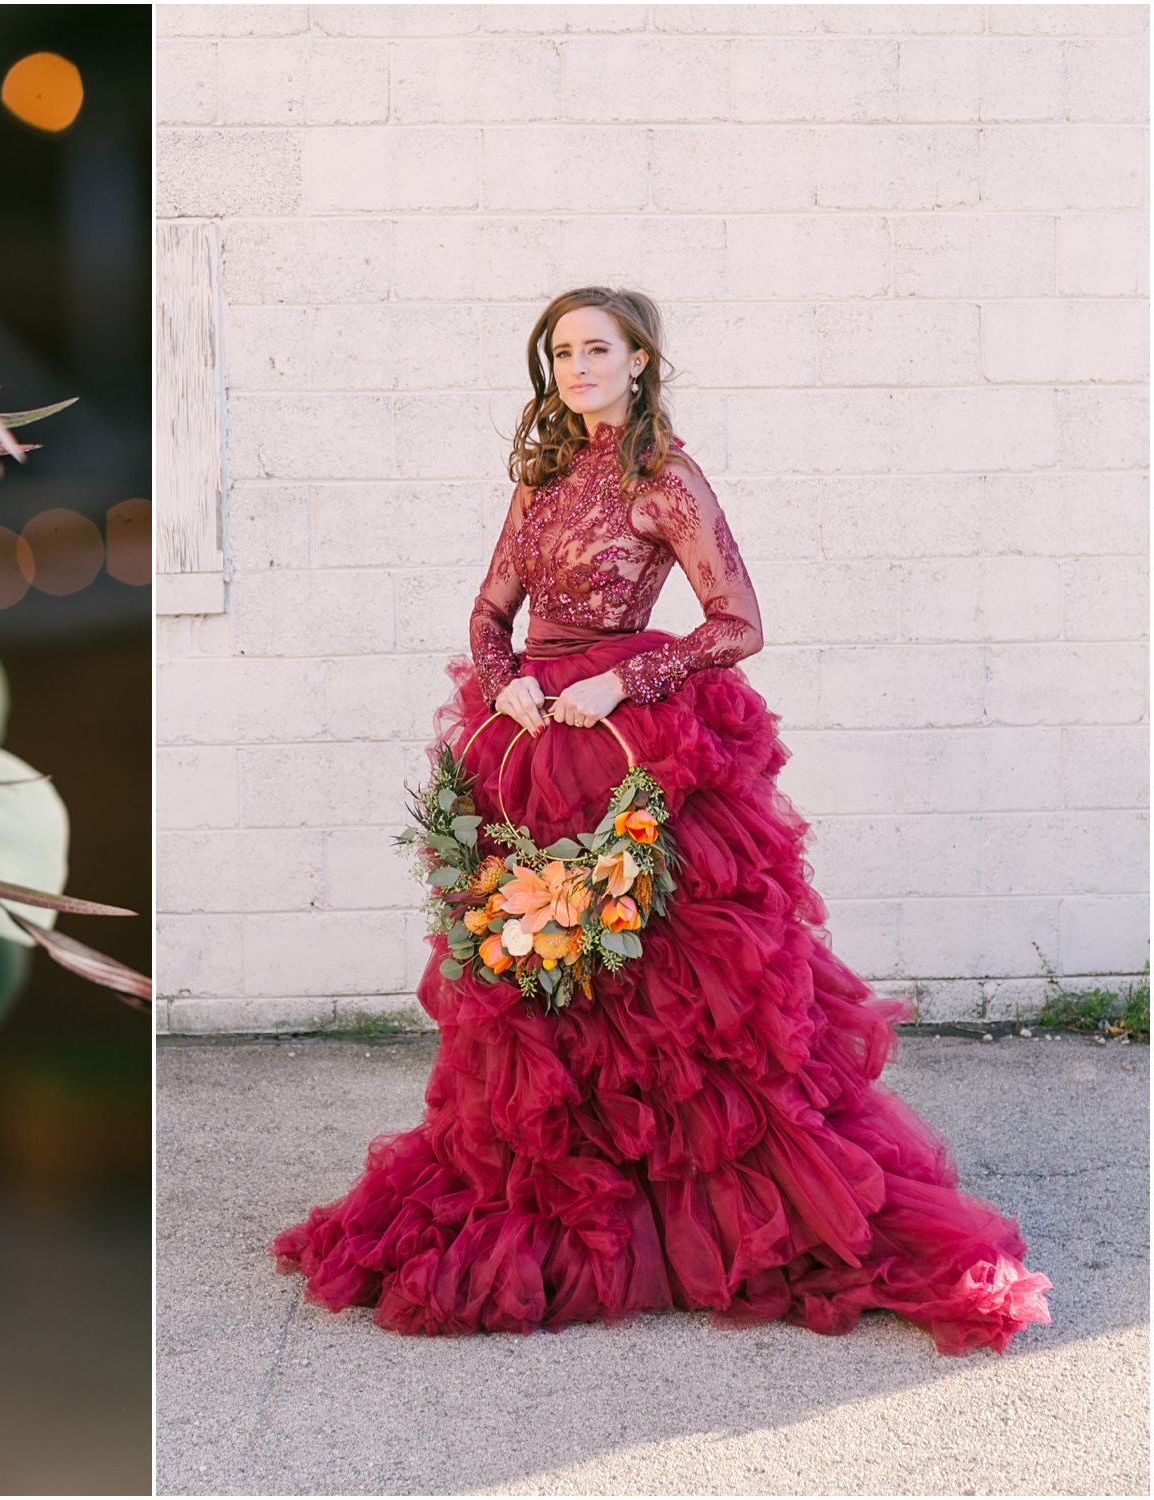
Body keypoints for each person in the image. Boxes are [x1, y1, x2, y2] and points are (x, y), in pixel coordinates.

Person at [270, 287, 1054, 1356]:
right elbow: (488, 608)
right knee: (533, 966)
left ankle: (694, 1215)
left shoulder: (665, 479)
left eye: (597, 349)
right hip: (527, 738)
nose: (577, 368)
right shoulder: (543, 476)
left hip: (621, 737)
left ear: (640, 361)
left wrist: (622, 681)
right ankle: (567, 1173)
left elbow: (737, 625)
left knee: (664, 988)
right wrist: (500, 681)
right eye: (560, 353)